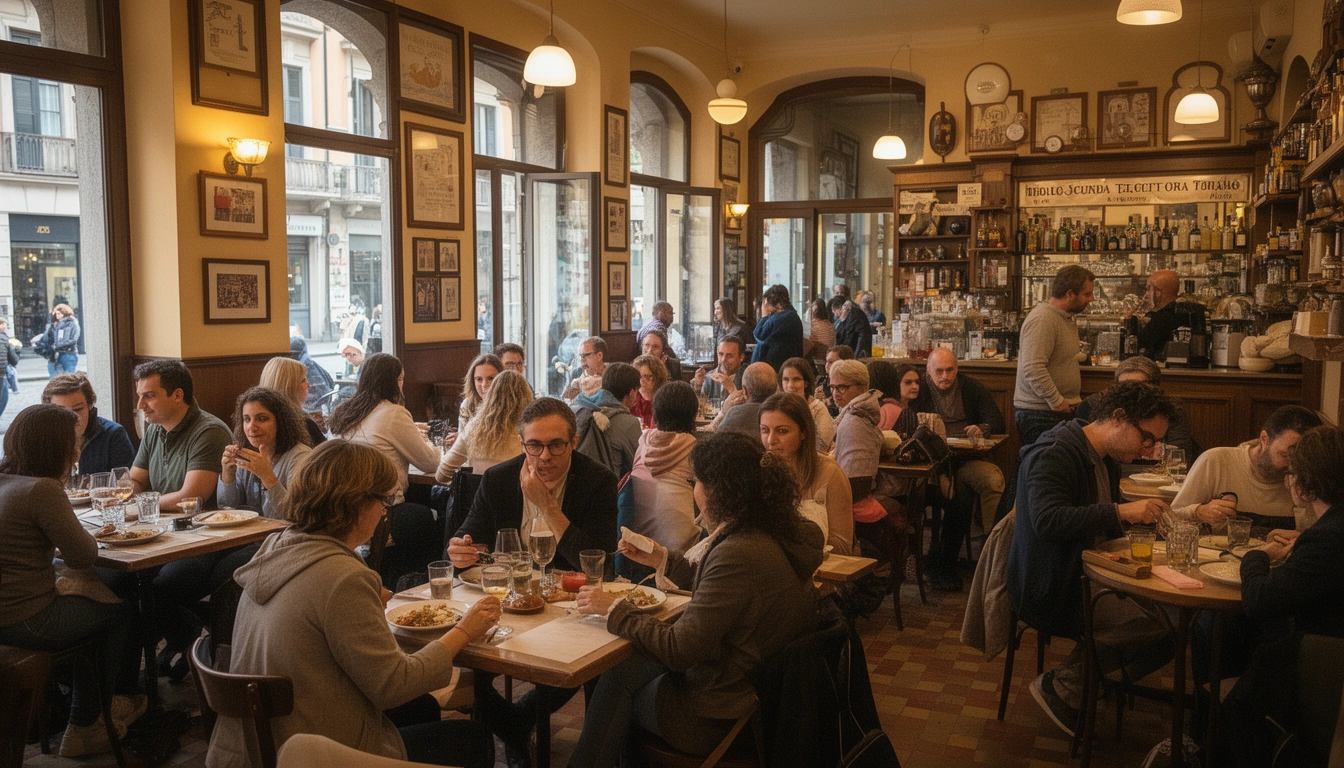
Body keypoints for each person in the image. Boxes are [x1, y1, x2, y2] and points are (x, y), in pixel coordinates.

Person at [206, 440, 500, 768]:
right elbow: (394, 685)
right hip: (311, 755)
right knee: (472, 738)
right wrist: (465, 630)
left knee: (420, 708)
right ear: (356, 503)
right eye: (383, 500)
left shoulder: (278, 545)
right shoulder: (342, 577)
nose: (385, 512)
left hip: (256, 746)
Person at [570, 431, 823, 766]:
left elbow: (680, 649)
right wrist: (662, 558)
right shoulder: (771, 532)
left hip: (718, 716)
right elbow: (724, 589)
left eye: (696, 481)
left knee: (617, 682)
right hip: (757, 697)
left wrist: (615, 608)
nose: (694, 490)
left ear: (716, 491)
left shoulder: (738, 552)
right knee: (627, 668)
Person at [446, 398, 619, 766]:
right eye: (534, 445)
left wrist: (548, 506)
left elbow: (597, 561)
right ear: (522, 442)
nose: (545, 456)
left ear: (573, 442)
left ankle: (521, 722)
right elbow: (470, 535)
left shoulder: (598, 480)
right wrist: (461, 549)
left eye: (556, 445)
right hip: (509, 603)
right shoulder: (499, 478)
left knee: (577, 665)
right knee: (471, 666)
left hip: (570, 606)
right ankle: (515, 728)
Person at [1007, 382, 1177, 736]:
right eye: (1147, 438)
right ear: (1117, 417)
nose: (1149, 449)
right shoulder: (1055, 452)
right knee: (1162, 630)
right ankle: (1065, 685)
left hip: (1089, 571)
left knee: (1175, 619)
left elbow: (1097, 521)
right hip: (1052, 584)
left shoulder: (1105, 456)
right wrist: (1122, 511)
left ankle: (1089, 681)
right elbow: (1047, 521)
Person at [0, 405, 144, 757]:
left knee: (89, 604)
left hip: (6, 614)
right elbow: (83, 556)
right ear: (59, 449)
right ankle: (85, 724)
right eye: (74, 442)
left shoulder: (7, 482)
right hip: (25, 620)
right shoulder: (42, 490)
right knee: (119, 613)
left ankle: (94, 704)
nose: (78, 450)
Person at [1219, 425, 1344, 768]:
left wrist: (1256, 556)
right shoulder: (1330, 529)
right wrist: (1303, 542)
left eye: (1291, 473)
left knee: (1238, 692)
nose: (1287, 481)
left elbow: (1258, 601)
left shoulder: (1328, 538)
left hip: (1325, 664)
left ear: (1305, 484)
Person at [328, 354, 441, 584]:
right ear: (394, 381)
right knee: (434, 516)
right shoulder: (393, 413)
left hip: (343, 508)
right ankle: (416, 583)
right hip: (383, 510)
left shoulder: (345, 411)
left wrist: (409, 431)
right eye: (401, 379)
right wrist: (430, 443)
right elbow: (430, 463)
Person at [1171, 405, 1322, 532]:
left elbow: (1320, 536)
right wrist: (1199, 511)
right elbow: (1171, 517)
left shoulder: (1308, 477)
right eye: (1285, 455)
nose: (1293, 466)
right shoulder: (1216, 461)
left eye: (1301, 458)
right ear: (1264, 439)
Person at [913, 348, 1008, 533]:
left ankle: (993, 541)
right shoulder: (919, 389)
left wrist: (982, 428)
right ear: (928, 370)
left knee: (993, 479)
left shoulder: (971, 387)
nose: (945, 376)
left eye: (950, 370)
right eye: (939, 371)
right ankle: (939, 550)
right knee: (960, 498)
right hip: (930, 466)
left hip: (965, 459)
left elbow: (997, 422)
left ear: (957, 368)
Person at [129, 359, 233, 511]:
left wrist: (139, 505)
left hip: (200, 524)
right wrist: (119, 496)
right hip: (160, 520)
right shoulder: (154, 429)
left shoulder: (211, 432)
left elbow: (191, 498)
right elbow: (136, 480)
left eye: (149, 396)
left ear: (177, 395)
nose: (140, 405)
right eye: (139, 396)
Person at [760, 392, 853, 555]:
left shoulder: (829, 473)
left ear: (803, 432)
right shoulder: (758, 470)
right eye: (765, 430)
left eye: (782, 431)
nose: (771, 440)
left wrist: (792, 536)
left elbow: (843, 546)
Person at [1012, 264, 1094, 446]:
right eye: (1087, 294)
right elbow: (1033, 368)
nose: (1091, 299)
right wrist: (1056, 401)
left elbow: (1063, 358)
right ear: (1070, 294)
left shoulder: (1064, 317)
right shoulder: (1043, 319)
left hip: (1051, 411)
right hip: (1040, 413)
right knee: (1043, 462)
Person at [623, 381, 701, 557]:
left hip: (637, 545)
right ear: (692, 415)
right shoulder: (693, 450)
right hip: (680, 552)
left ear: (656, 412)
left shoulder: (643, 444)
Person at [1073, 355, 1197, 461]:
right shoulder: (1091, 406)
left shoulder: (1167, 410)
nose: (1129, 395)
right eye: (1123, 388)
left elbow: (1179, 454)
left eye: (1138, 389)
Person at [217, 387, 313, 519]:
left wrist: (266, 475)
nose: (251, 427)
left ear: (280, 421)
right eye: (247, 419)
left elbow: (297, 516)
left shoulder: (300, 457)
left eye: (262, 419)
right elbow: (226, 510)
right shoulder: (245, 454)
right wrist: (228, 475)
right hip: (249, 532)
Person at [435, 370, 529, 483]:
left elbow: (441, 475)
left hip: (476, 494)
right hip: (516, 494)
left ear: (491, 396)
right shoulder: (529, 432)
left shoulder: (473, 428)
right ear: (526, 398)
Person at [42, 373, 136, 476]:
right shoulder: (43, 438)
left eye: (78, 409)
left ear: (90, 405)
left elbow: (124, 481)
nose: (71, 418)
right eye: (61, 411)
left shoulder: (113, 435)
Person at [572, 363, 644, 480]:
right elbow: (639, 466)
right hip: (606, 486)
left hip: (574, 483)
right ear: (632, 392)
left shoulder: (579, 410)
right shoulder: (629, 423)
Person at [259, 356, 328, 445]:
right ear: (289, 387)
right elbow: (326, 453)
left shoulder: (257, 421)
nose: (309, 386)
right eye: (303, 380)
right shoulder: (302, 424)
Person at [779, 356, 834, 452]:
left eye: (796, 379)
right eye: (786, 379)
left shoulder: (817, 408)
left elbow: (823, 445)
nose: (790, 385)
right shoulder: (776, 407)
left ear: (806, 383)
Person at [712, 362, 776, 438]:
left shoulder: (734, 413)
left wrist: (723, 413)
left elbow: (716, 439)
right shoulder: (781, 415)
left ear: (744, 391)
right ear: (776, 389)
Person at [1129, 270, 1181, 360]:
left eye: (1149, 289)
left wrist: (1130, 317)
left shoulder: (1161, 318)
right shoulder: (1191, 310)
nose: (1146, 295)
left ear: (1157, 292)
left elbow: (1137, 344)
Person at [751, 284, 804, 370]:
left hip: (776, 370)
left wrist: (764, 315)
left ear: (778, 304)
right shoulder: (790, 316)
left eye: (768, 305)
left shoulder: (783, 318)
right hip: (782, 367)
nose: (766, 307)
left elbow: (759, 334)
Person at [868, 361, 920, 437]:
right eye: (908, 382)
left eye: (917, 382)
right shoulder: (890, 409)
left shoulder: (914, 408)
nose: (915, 387)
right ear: (896, 382)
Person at [691, 336, 745, 403]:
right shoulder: (709, 378)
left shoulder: (747, 379)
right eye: (721, 354)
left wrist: (732, 389)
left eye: (729, 356)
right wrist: (698, 387)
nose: (723, 359)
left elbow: (748, 407)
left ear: (741, 357)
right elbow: (700, 406)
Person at [33, 303, 80, 376]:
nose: (57, 316)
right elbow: (51, 336)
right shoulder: (57, 324)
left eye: (59, 313)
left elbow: (73, 339)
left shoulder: (73, 323)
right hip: (59, 353)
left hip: (69, 353)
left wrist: (58, 345)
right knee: (60, 376)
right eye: (56, 314)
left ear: (64, 313)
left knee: (69, 376)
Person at [458, 353, 503, 431]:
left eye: (490, 378)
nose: (484, 384)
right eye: (479, 379)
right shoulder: (467, 405)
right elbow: (462, 435)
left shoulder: (512, 404)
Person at [290, 336, 335, 410]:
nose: (309, 386)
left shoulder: (299, 369)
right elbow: (330, 383)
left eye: (293, 355)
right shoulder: (313, 364)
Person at [562, 336, 608, 401]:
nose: (581, 360)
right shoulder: (577, 373)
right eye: (580, 356)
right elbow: (565, 400)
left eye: (584, 355)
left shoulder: (611, 376)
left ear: (599, 356)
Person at [630, 354, 669, 430]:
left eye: (647, 377)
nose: (642, 380)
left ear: (658, 377)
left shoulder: (664, 401)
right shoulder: (631, 398)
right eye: (639, 376)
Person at [814, 344, 855, 415]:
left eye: (831, 362)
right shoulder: (822, 382)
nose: (827, 366)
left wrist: (827, 403)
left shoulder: (851, 385)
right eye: (826, 361)